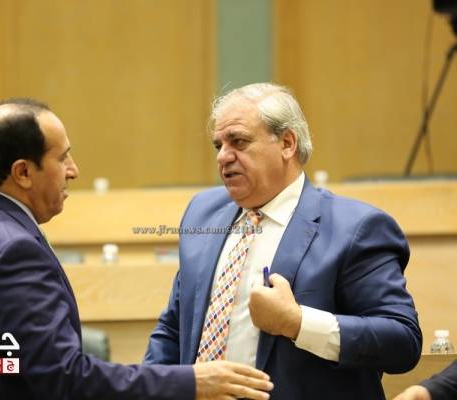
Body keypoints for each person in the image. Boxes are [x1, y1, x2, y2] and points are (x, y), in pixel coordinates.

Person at [0, 98, 274, 399]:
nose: (73, 170)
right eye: (62, 158)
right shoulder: (14, 250)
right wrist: (190, 382)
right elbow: (64, 379)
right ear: (23, 172)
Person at [144, 83, 423, 399]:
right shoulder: (202, 213)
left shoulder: (356, 228)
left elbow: (403, 342)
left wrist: (297, 323)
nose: (223, 156)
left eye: (239, 141)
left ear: (287, 143)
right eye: (218, 145)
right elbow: (174, 328)